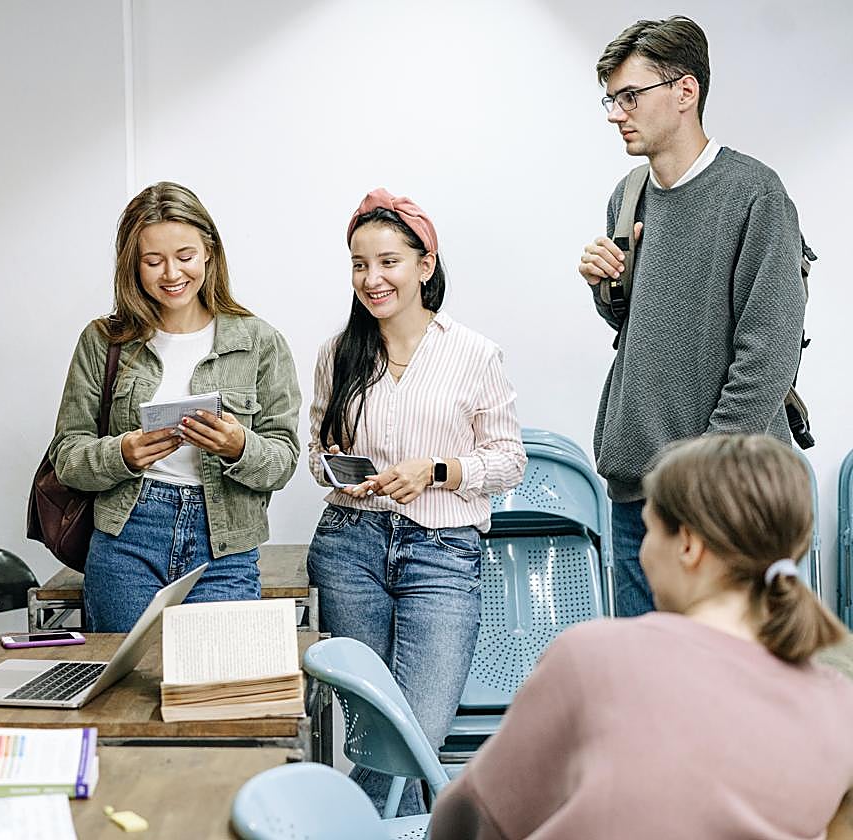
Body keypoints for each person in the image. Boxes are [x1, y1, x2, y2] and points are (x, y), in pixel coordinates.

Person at [428, 434, 853, 839]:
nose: (643, 552)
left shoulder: (595, 656)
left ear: (688, 545)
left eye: (650, 531)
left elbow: (467, 821)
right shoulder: (838, 703)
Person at [576, 16, 807, 617]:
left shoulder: (755, 193)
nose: (615, 113)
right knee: (646, 687)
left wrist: (699, 484)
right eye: (611, 98)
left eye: (630, 96)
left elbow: (768, 358)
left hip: (724, 499)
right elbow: (641, 328)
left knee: (730, 691)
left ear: (685, 92)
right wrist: (609, 290)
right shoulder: (626, 196)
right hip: (636, 494)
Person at [307, 188, 526, 816]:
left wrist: (439, 470)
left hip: (442, 554)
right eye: (358, 264)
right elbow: (318, 446)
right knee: (372, 733)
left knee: (414, 735)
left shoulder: (474, 353)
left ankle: (355, 827)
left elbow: (509, 459)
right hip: (349, 548)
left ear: (424, 265)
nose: (371, 279)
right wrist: (338, 472)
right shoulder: (339, 353)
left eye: (387, 262)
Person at [50, 181, 301, 632]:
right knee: (124, 693)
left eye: (185, 256)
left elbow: (284, 461)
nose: (171, 274)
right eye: (153, 261)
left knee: (214, 691)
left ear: (209, 252)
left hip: (225, 544)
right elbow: (67, 456)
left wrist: (239, 446)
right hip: (127, 538)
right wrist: (122, 454)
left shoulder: (259, 342)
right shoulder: (103, 342)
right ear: (133, 265)